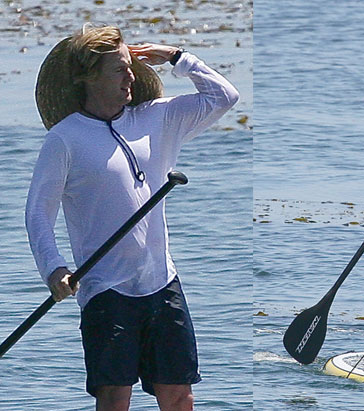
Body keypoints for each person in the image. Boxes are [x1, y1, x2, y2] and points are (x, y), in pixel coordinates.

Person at [26, 24, 238, 410]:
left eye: (130, 66)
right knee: (114, 398)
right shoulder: (64, 139)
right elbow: (38, 214)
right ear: (89, 77)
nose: (130, 76)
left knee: (179, 396)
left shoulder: (159, 117)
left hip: (162, 281)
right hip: (106, 290)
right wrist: (54, 270)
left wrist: (178, 58)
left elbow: (224, 95)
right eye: (119, 69)